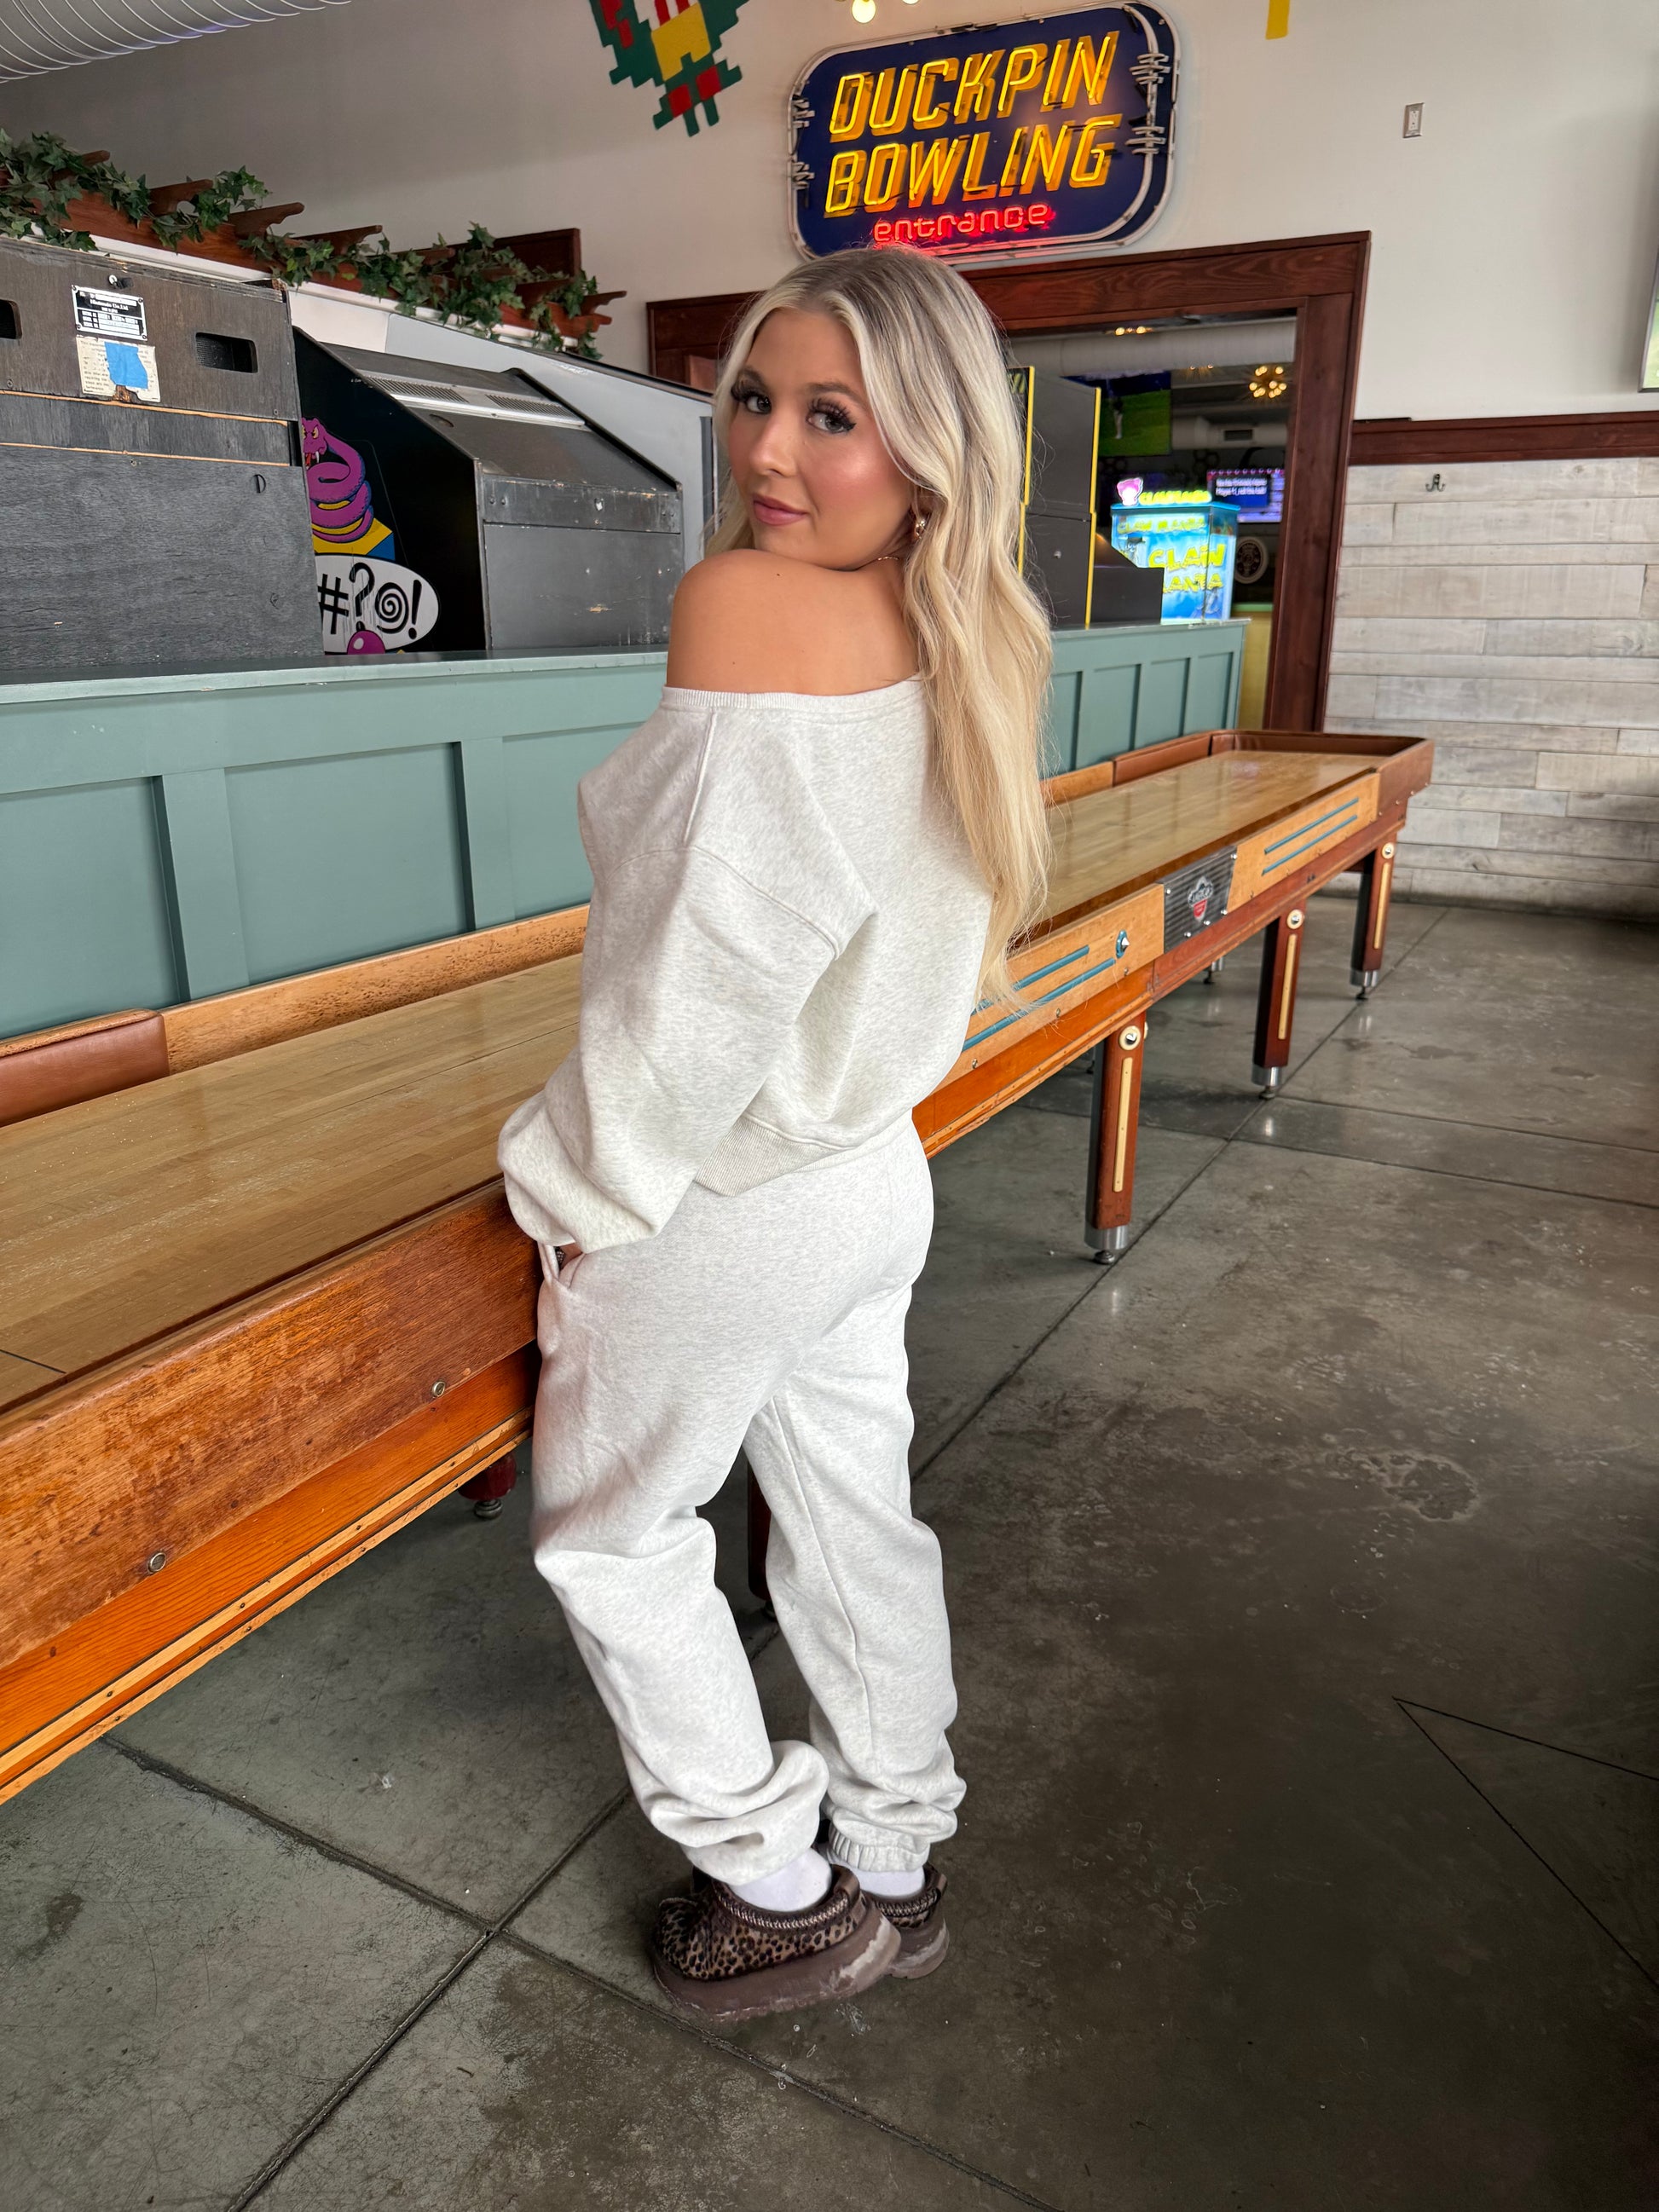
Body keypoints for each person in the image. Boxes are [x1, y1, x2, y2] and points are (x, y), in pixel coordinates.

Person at [498, 245, 1051, 2024]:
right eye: (754, 398)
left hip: (721, 1194)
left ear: (931, 452)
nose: (768, 451)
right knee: (852, 1518)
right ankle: (894, 1848)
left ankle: (775, 1885)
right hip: (867, 1174)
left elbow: (699, 980)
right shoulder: (970, 634)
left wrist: (576, 1189)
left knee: (614, 1537)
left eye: (835, 417)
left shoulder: (745, 603)